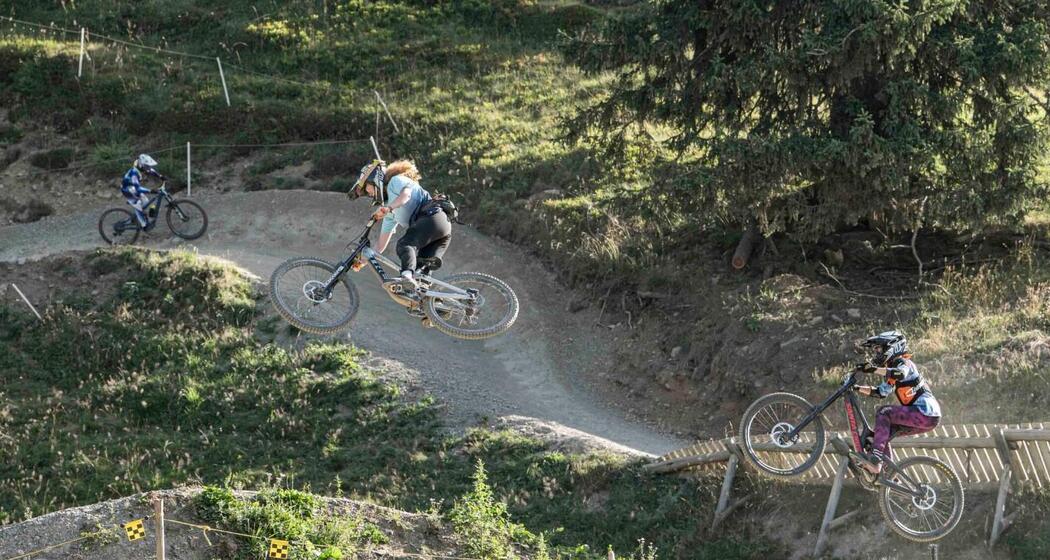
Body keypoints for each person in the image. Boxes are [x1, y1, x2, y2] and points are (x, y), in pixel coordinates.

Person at [348, 159, 452, 292]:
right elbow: (380, 246)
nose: (368, 194)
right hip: (440, 230)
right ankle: (435, 306)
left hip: (434, 218)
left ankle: (406, 277)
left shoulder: (395, 181)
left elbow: (406, 195)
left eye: (366, 189)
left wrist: (389, 208)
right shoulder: (390, 211)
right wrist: (363, 261)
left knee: (405, 244)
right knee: (421, 281)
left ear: (374, 180)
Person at [854, 330, 942, 475]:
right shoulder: (893, 371)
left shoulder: (904, 362)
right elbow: (881, 392)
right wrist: (856, 388)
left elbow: (900, 373)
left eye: (879, 349)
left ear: (892, 347)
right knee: (881, 435)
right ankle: (889, 475)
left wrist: (873, 370)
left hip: (926, 412)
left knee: (884, 412)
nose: (877, 353)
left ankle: (875, 461)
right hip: (925, 417)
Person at [121, 154, 166, 227]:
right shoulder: (134, 173)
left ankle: (136, 217)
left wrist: (160, 176)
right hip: (127, 189)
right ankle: (144, 225)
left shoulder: (141, 167)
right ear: (141, 165)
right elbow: (138, 189)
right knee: (138, 204)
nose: (148, 168)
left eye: (148, 166)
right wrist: (151, 190)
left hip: (133, 188)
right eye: (146, 166)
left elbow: (151, 170)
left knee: (146, 202)